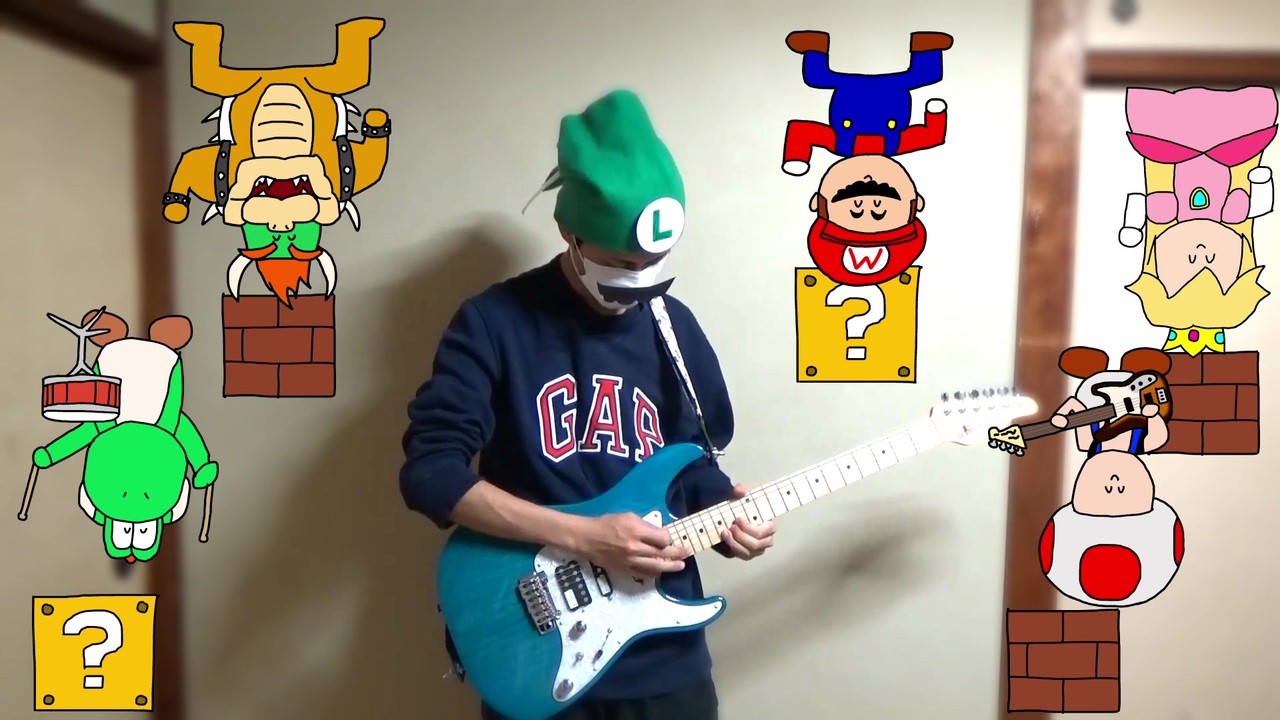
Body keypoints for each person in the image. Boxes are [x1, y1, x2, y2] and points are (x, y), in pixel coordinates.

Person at [399, 89, 777, 720]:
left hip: (666, 663)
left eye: (656, 263)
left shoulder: (674, 328)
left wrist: (726, 516)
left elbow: (693, 465)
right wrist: (585, 537)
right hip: (538, 654)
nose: (641, 281)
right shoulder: (493, 323)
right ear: (569, 232)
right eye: (624, 263)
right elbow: (430, 475)